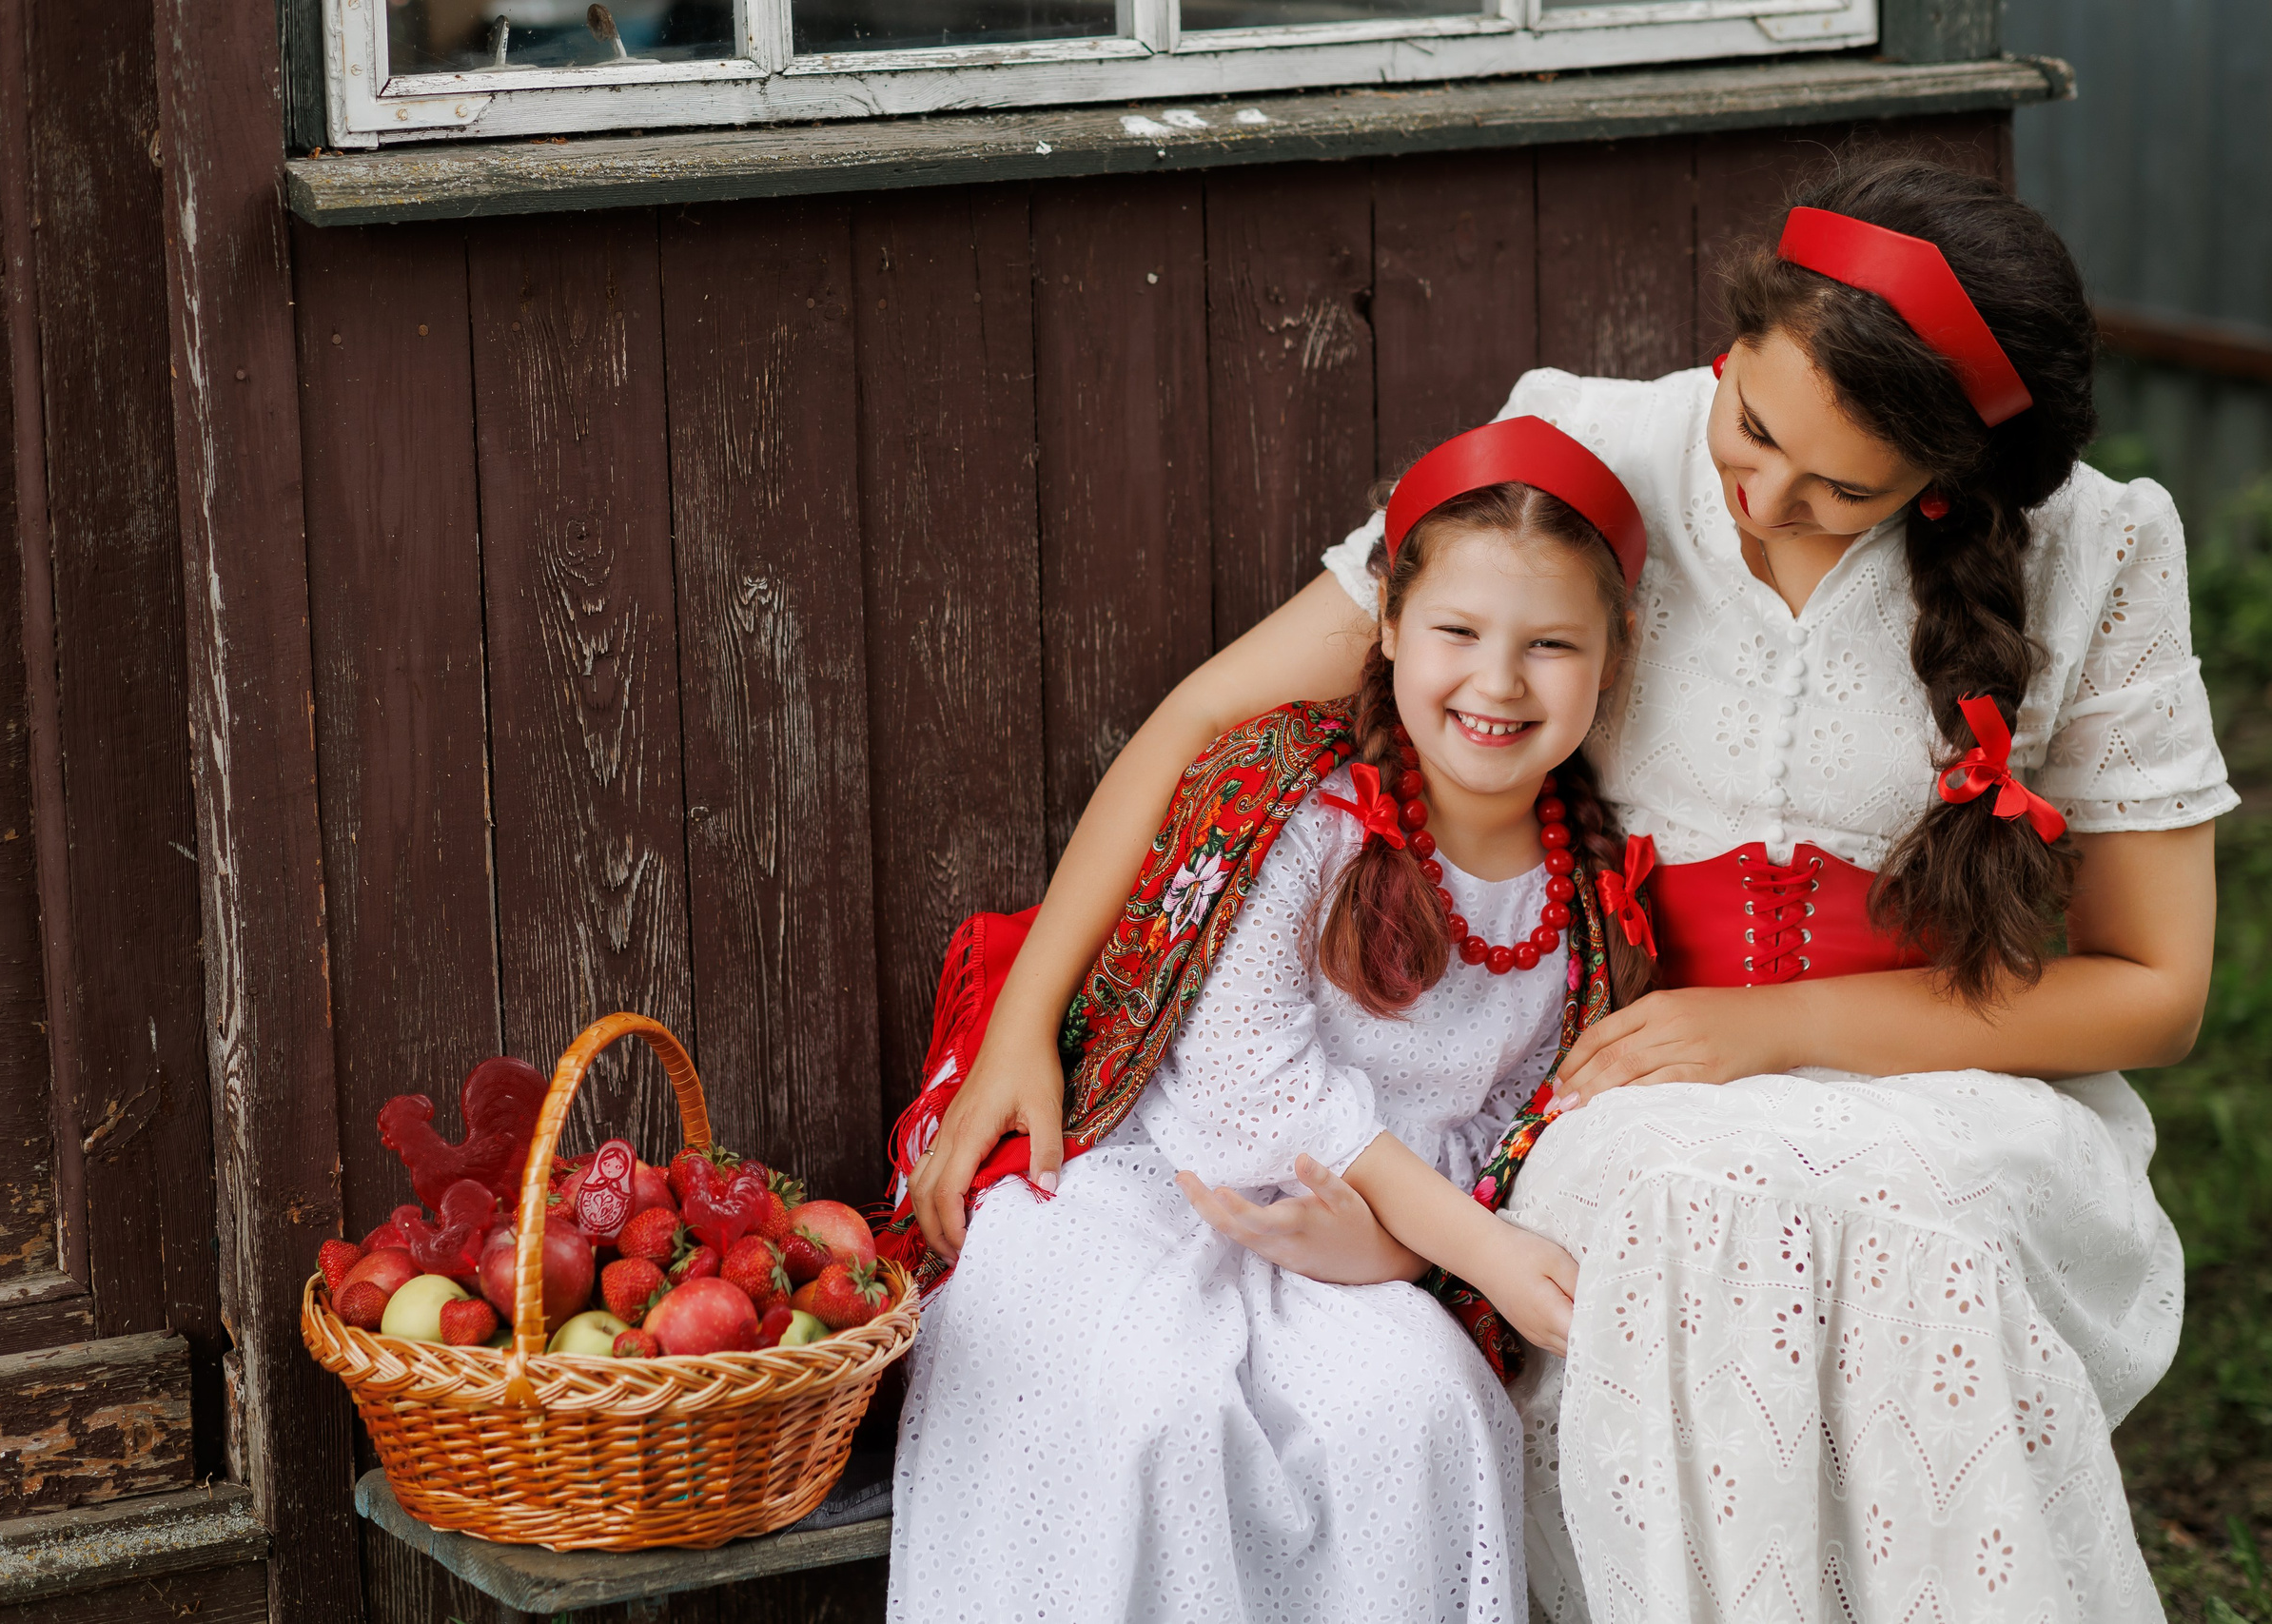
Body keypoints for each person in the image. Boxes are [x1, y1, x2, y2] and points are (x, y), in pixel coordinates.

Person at [906, 157, 2224, 1624]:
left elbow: (2155, 989)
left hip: (1944, 1081)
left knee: (1897, 1224)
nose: (1766, 498)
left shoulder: (2100, 547)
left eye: (1844, 488)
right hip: (1619, 1088)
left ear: (1953, 478)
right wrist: (1027, 1022)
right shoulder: (1583, 453)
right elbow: (1202, 723)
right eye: (1753, 422)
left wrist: (1775, 1029)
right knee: (1687, 1203)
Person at [886, 421, 1660, 1624]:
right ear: (1388, 626)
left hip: (1366, 1245)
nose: (1498, 682)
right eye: (1457, 632)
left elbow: (1516, 1124)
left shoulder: (1585, 893)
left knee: (1426, 1414)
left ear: (1613, 661)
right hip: (1154, 1190)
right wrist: (1476, 1252)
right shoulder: (1298, 810)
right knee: (1150, 1406)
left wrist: (1403, 1252)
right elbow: (1250, 1084)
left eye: (1550, 645)